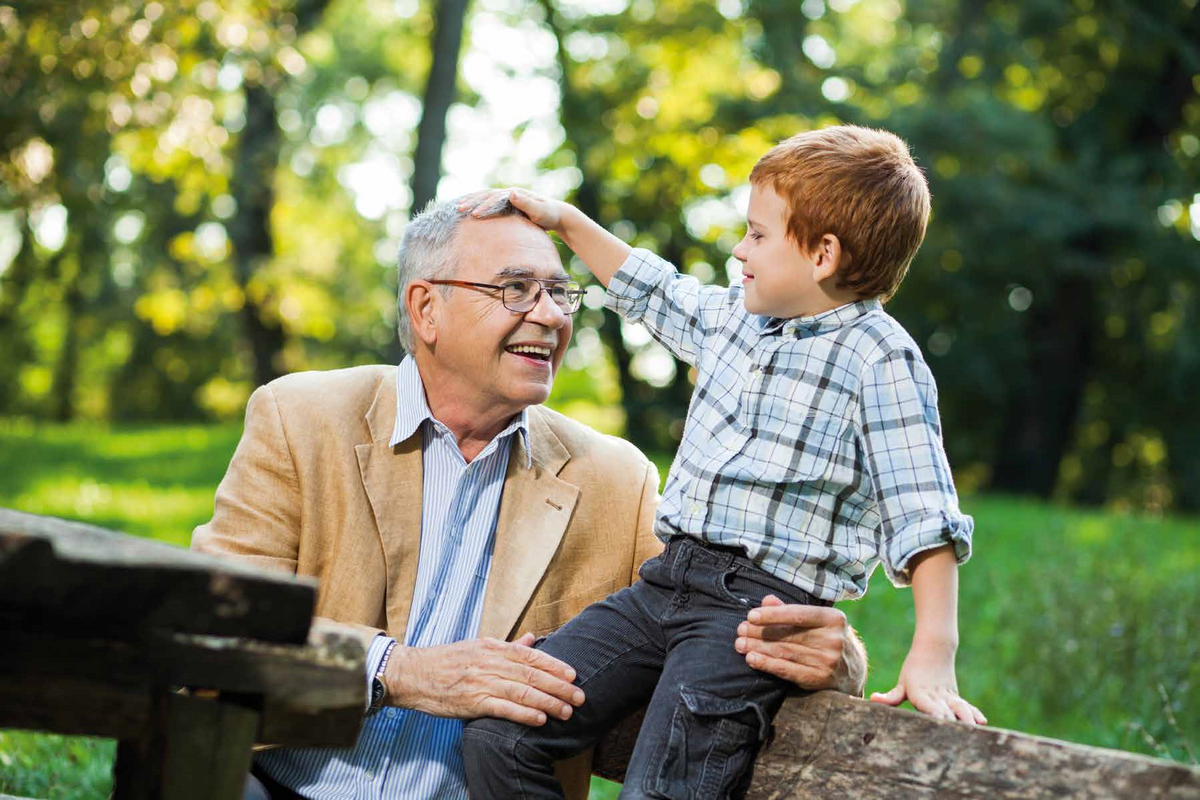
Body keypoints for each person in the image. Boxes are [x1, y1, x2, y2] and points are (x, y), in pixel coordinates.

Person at [190, 195, 868, 800]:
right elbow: (212, 627)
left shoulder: (614, 478)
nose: (548, 315)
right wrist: (399, 671)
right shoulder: (302, 419)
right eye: (515, 289)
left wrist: (833, 658)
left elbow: (720, 606)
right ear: (427, 308)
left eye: (559, 294)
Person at [460, 125, 986, 800]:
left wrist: (933, 652)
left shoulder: (877, 359)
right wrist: (564, 222)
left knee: (665, 788)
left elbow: (925, 515)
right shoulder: (737, 319)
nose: (739, 249)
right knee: (501, 728)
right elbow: (649, 286)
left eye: (758, 234)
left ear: (823, 254)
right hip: (664, 584)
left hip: (755, 618)